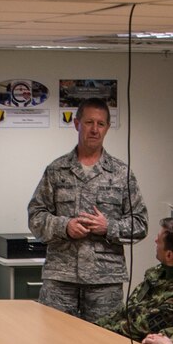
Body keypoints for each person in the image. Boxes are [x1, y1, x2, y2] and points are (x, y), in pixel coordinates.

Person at [26, 98, 147, 319]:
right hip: (61, 277)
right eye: (89, 122)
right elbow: (35, 215)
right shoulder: (57, 170)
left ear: (108, 128)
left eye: (101, 124)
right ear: (76, 124)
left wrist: (108, 226)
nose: (94, 129)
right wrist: (65, 226)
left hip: (105, 280)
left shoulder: (121, 173)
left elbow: (140, 223)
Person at [91, 212, 173, 341]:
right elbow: (126, 310)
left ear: (169, 255)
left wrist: (99, 332)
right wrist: (95, 326)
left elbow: (139, 329)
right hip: (118, 337)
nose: (155, 241)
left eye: (159, 240)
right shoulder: (158, 273)